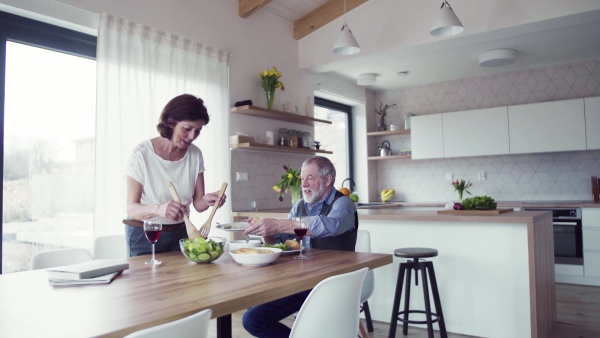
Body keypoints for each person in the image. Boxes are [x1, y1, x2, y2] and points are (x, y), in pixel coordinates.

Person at [241, 155, 358, 338]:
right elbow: (281, 242)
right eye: (302, 178)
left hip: (333, 286)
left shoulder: (343, 203)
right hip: (302, 283)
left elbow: (332, 224)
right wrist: (265, 232)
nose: (304, 184)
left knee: (313, 329)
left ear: (327, 179)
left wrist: (279, 224)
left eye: (310, 177)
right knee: (252, 320)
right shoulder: (300, 206)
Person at [124, 94, 226, 257]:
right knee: (147, 282)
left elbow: (198, 205)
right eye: (187, 129)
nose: (192, 137)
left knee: (179, 282)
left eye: (197, 131)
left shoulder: (195, 155)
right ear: (171, 122)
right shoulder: (142, 154)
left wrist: (208, 200)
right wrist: (160, 210)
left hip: (181, 232)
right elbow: (131, 208)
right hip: (145, 234)